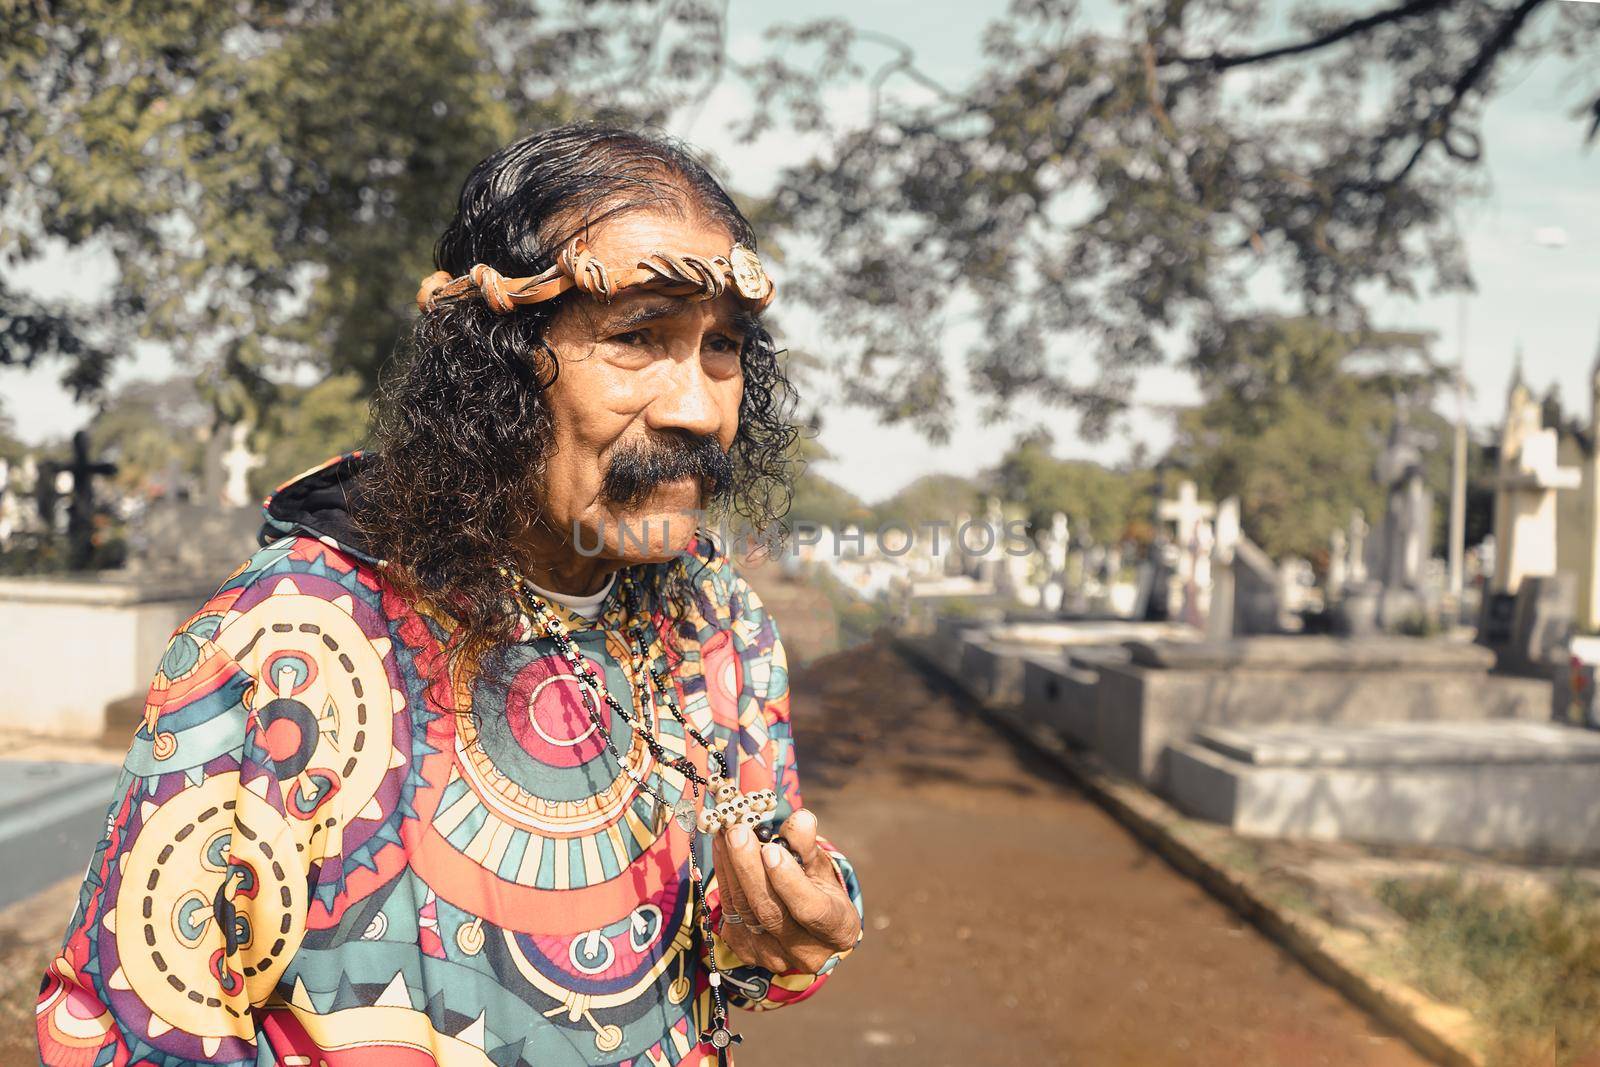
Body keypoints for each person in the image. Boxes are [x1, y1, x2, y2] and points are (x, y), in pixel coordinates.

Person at [36, 122, 864, 1067]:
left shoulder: (720, 627)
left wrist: (786, 935)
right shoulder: (287, 643)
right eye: (639, 337)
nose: (699, 405)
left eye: (722, 346)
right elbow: (125, 1032)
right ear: (497, 368)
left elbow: (727, 934)